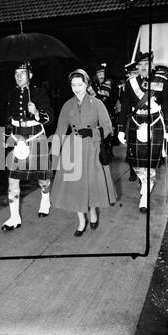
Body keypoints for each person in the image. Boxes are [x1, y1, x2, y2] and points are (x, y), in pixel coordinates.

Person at [50, 68, 117, 237]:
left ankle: (93, 212)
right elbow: (59, 130)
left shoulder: (97, 103)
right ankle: (81, 221)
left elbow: (108, 128)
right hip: (72, 149)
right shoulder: (67, 105)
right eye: (73, 85)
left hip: (92, 148)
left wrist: (92, 133)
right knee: (74, 187)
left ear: (87, 84)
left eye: (80, 84)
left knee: (91, 185)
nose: (76, 88)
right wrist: (54, 156)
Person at [1, 63, 54, 231]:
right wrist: (6, 135)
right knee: (12, 179)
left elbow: (50, 118)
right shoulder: (12, 93)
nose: (18, 76)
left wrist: (37, 112)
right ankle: (14, 217)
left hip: (37, 137)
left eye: (22, 73)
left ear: (30, 75)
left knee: (42, 179)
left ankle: (45, 198)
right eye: (16, 73)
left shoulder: (39, 92)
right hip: (18, 139)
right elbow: (8, 117)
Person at [117, 52, 168, 213]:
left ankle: (145, 194)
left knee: (150, 163)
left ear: (152, 66)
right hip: (136, 122)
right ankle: (144, 181)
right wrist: (120, 129)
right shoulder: (131, 83)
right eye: (139, 66)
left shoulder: (162, 82)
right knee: (136, 163)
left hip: (155, 123)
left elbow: (167, 105)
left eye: (146, 65)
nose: (142, 68)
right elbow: (125, 106)